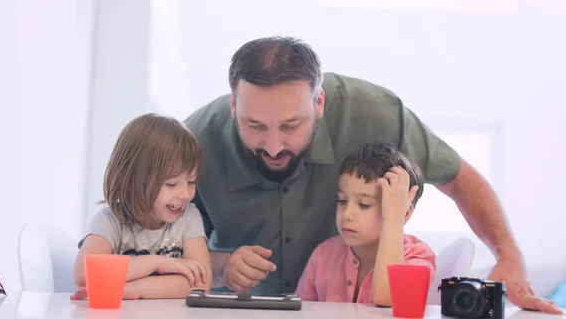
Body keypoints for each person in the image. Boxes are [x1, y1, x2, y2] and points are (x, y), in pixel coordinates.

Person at [184, 36, 561, 314]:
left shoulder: (376, 114)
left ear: (319, 103)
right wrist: (221, 266)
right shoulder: (194, 141)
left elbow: (458, 178)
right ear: (233, 105)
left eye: (290, 125)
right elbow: (163, 241)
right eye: (254, 126)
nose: (272, 145)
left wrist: (510, 256)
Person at [71, 114, 212, 300]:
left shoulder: (188, 217)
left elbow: (201, 283)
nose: (185, 194)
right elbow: (84, 275)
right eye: (171, 184)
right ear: (132, 180)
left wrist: (126, 289)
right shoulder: (110, 221)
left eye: (191, 182)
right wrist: (156, 263)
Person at [295, 141, 435, 305]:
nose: (347, 214)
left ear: (404, 213)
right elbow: (300, 310)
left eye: (364, 205)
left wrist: (394, 220)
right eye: (342, 200)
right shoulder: (323, 255)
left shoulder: (419, 257)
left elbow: (387, 297)